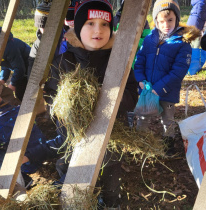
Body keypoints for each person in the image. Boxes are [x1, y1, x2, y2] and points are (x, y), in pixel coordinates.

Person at [43, 0, 138, 208]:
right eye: (90, 23)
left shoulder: (119, 60)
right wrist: (65, 120)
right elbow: (51, 95)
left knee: (111, 175)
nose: (99, 30)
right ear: (78, 27)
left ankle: (111, 202)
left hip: (112, 135)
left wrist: (113, 98)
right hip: (74, 137)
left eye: (105, 24)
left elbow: (132, 93)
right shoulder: (63, 62)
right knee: (71, 172)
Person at [134, 0, 199, 156]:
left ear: (176, 18)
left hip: (167, 90)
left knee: (167, 119)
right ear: (156, 20)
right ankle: (139, 141)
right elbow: (139, 60)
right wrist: (140, 79)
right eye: (161, 21)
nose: (166, 25)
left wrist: (160, 88)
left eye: (170, 20)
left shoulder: (182, 43)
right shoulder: (150, 39)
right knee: (143, 115)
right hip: (148, 88)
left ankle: (168, 144)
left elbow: (178, 71)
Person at [27, 0, 79, 78]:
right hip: (52, 80)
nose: (44, 30)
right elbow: (32, 67)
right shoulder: (38, 44)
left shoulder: (69, 38)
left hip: (70, 76)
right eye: (41, 27)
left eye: (47, 27)